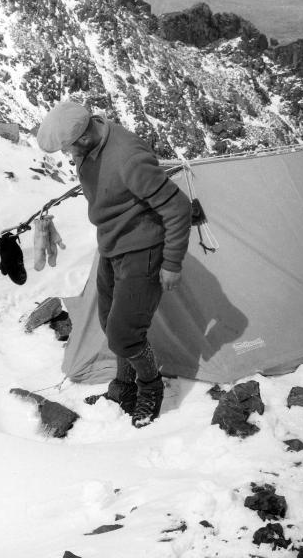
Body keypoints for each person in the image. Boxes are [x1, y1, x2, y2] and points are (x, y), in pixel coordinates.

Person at [37, 102, 192, 427]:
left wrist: (172, 263)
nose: (68, 154)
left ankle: (150, 388)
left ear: (82, 137)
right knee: (110, 324)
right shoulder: (89, 147)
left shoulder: (127, 157)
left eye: (68, 148)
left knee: (125, 334)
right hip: (112, 247)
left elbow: (178, 207)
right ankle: (123, 388)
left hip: (143, 251)